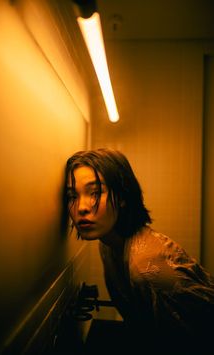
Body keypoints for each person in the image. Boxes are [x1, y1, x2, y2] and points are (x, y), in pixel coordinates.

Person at [62, 148, 214, 354]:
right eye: (72, 195)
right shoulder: (108, 245)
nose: (81, 207)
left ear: (123, 197)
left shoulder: (145, 267)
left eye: (96, 193)